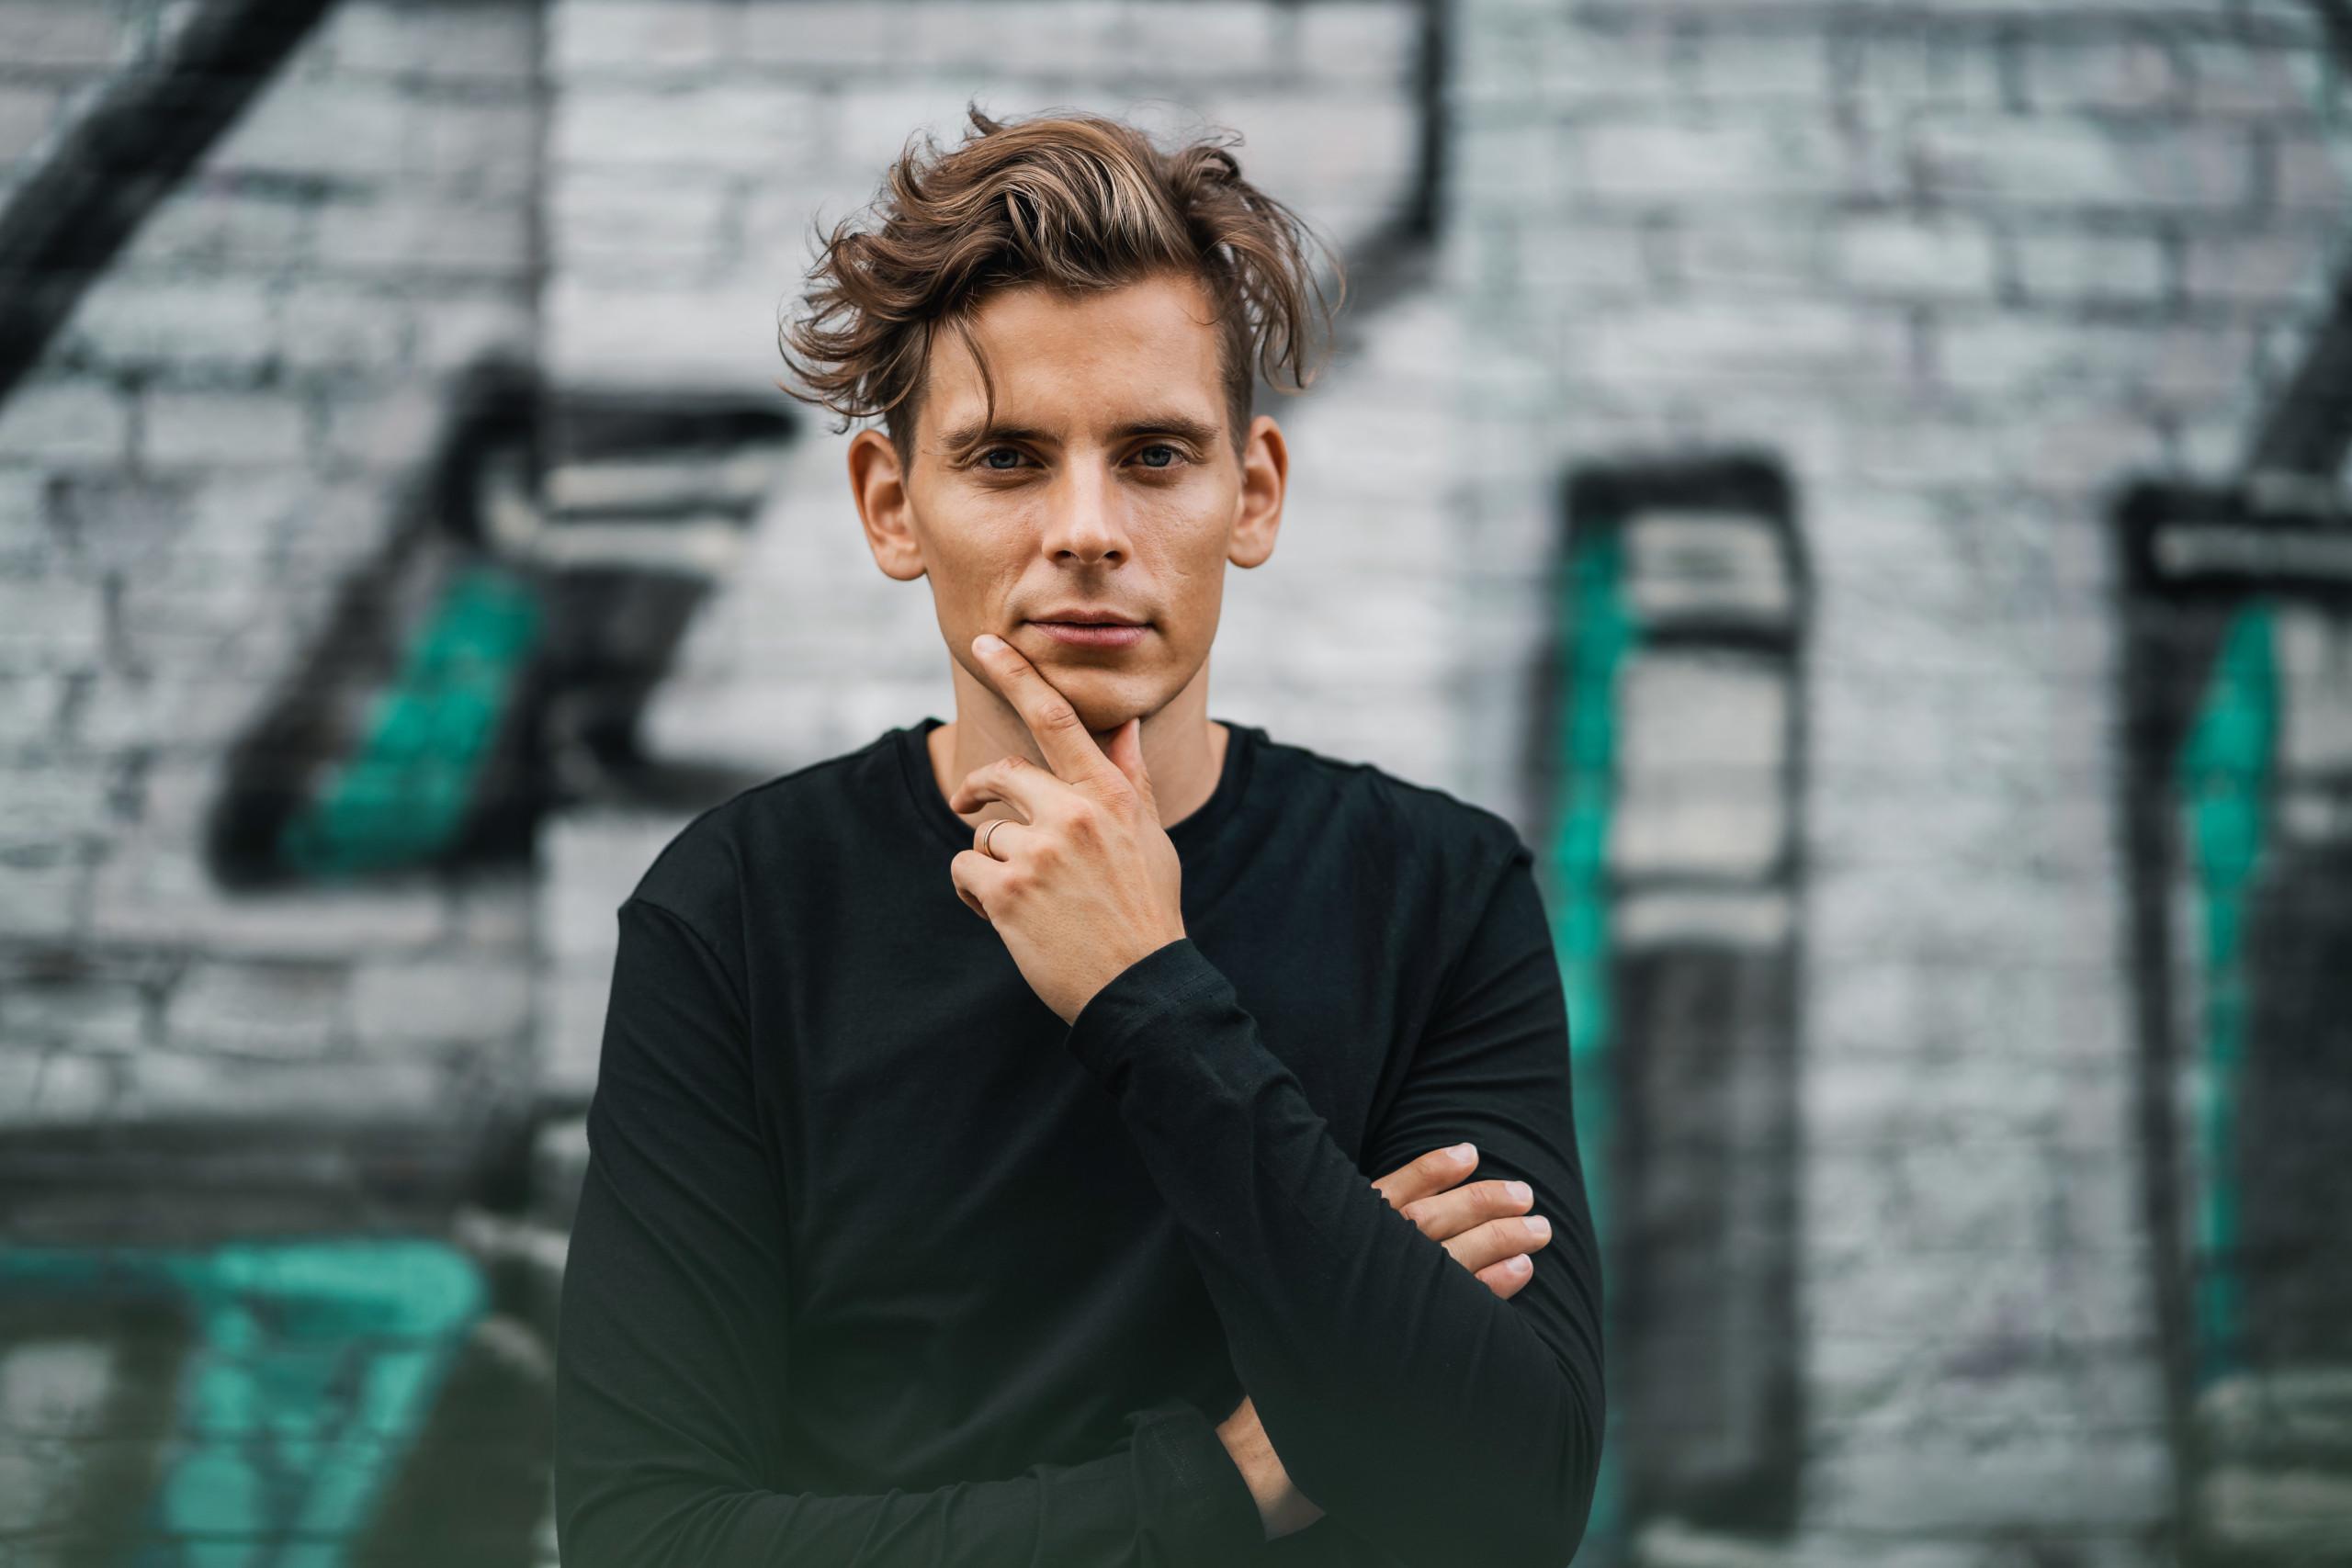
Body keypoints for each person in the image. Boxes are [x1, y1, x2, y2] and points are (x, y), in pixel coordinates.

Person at [550, 105, 1603, 1567]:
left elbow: (1515, 1500)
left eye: (1156, 454)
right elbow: (646, 1540)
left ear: (1253, 494)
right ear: (891, 506)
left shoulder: (1434, 890)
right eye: (1007, 459)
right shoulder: (739, 910)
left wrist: (1144, 989)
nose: (1089, 528)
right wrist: (1226, 1483)